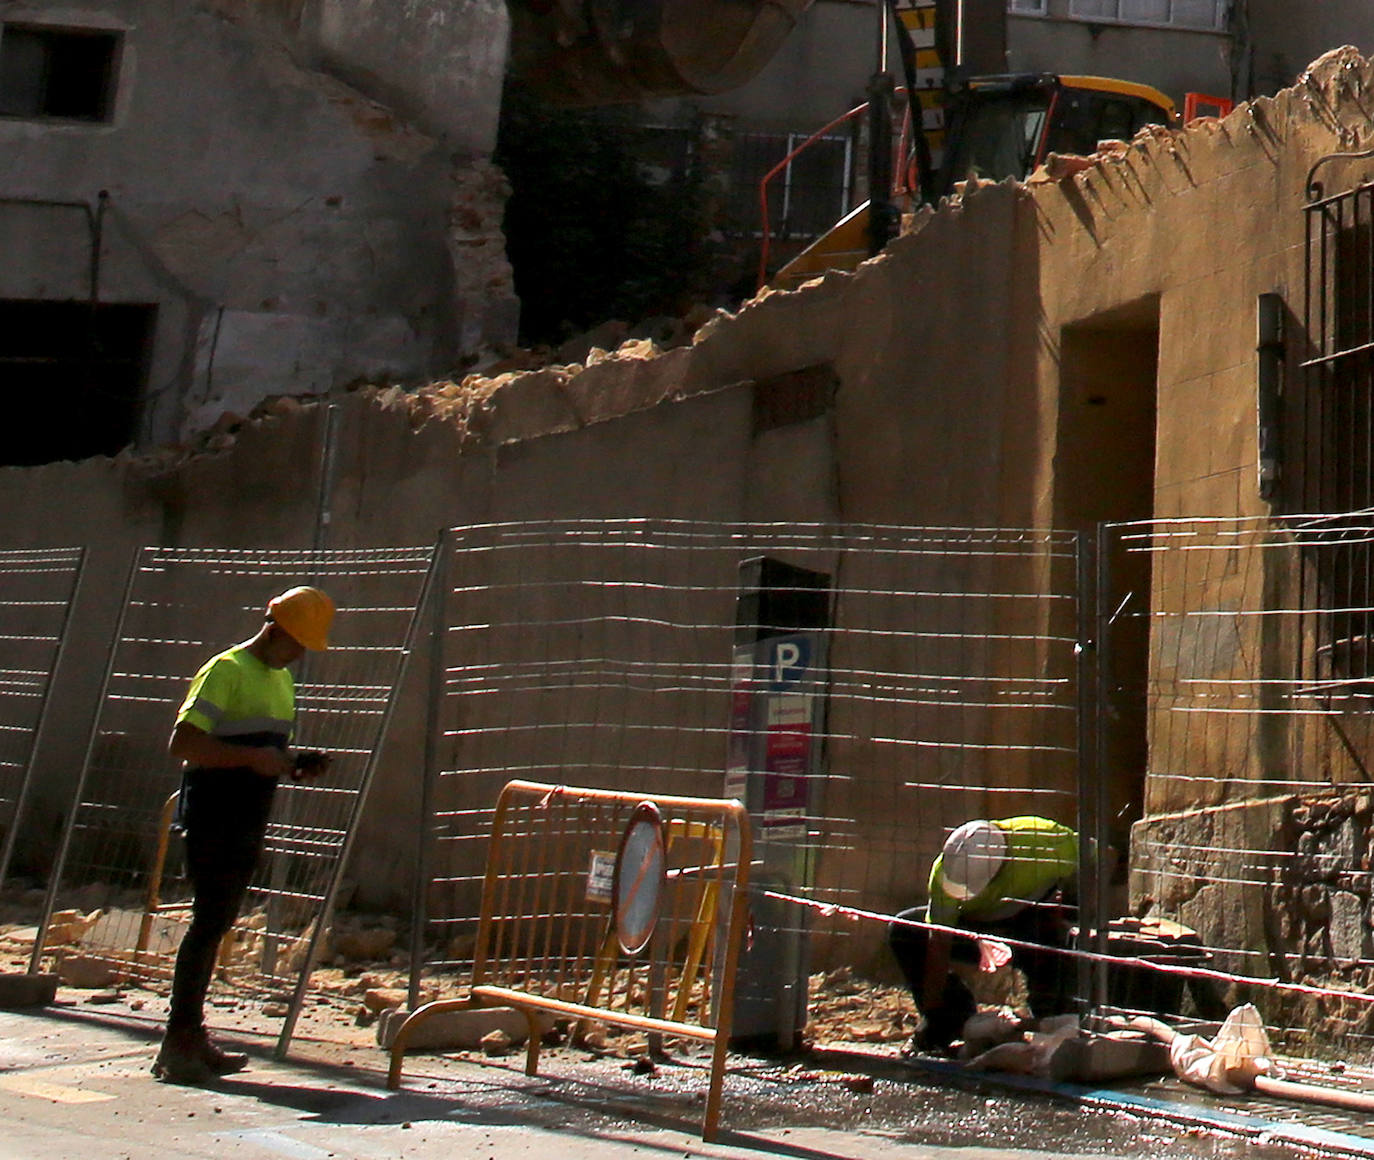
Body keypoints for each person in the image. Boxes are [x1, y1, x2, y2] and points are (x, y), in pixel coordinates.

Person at [152, 585, 335, 1084]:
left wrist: (294, 762)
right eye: (295, 643)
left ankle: (190, 1035)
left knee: (217, 921)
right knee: (208, 922)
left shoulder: (280, 682)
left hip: (248, 816)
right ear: (272, 629)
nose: (298, 655)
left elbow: (263, 750)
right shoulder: (226, 670)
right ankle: (180, 1039)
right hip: (213, 814)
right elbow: (184, 742)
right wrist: (254, 759)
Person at [888, 816, 1079, 1055]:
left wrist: (1074, 907)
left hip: (1032, 924)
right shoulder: (945, 873)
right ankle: (948, 1021)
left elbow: (1103, 858)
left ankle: (1049, 1016)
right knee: (904, 930)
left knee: (1054, 944)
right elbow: (939, 941)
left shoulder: (1048, 843)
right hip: (976, 928)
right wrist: (932, 1006)